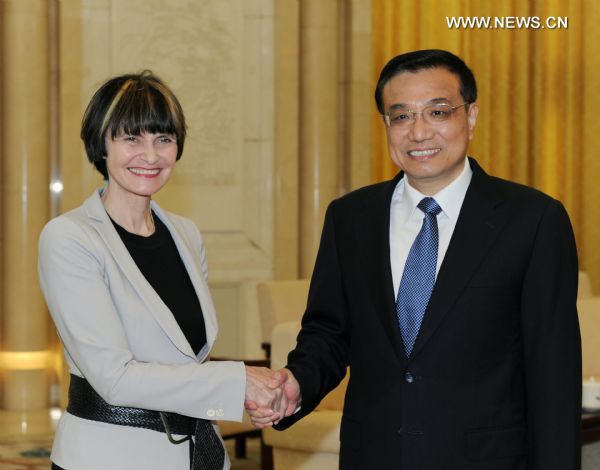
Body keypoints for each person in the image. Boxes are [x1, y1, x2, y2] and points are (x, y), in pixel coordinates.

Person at [246, 49, 582, 469]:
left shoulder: (533, 220)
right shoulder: (350, 218)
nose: (418, 132)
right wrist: (297, 383)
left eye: (438, 112)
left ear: (471, 116)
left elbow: (554, 372)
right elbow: (328, 333)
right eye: (401, 116)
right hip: (375, 456)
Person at [38, 71, 288, 470]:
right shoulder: (70, 238)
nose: (150, 155)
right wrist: (238, 381)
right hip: (108, 457)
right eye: (131, 138)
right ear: (100, 144)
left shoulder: (185, 233)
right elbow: (114, 377)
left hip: (196, 452)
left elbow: (186, 359)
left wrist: (249, 391)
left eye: (163, 139)